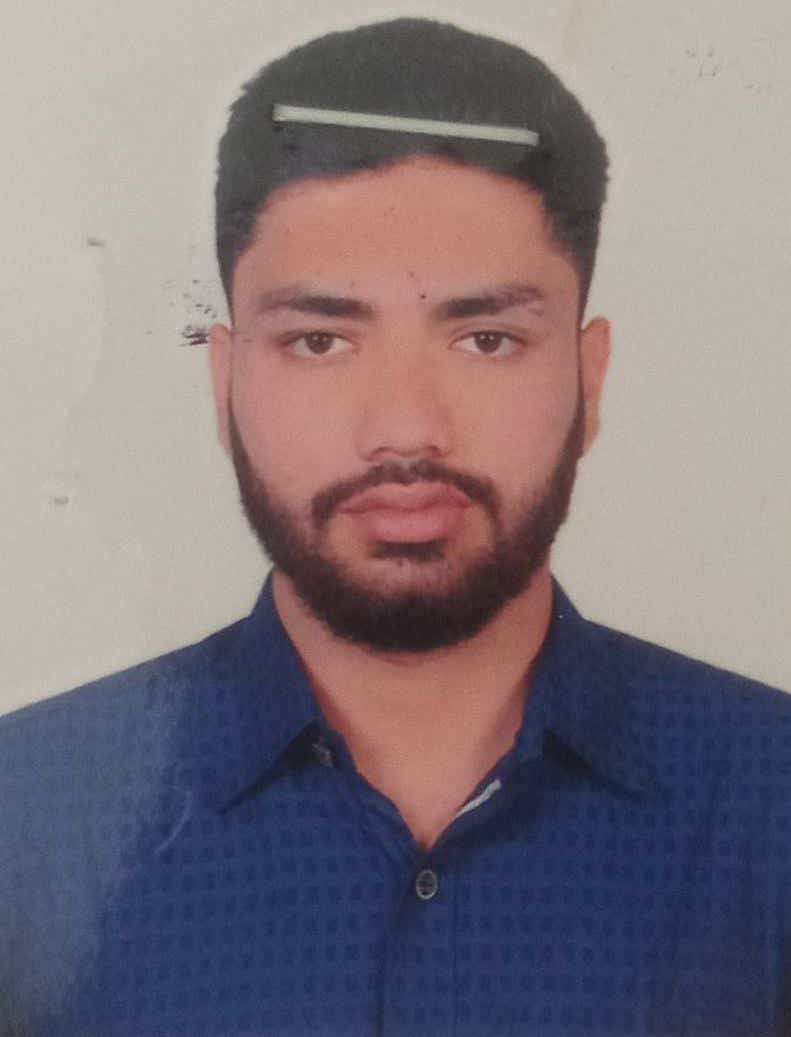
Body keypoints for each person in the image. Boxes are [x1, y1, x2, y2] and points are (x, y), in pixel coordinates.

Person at [1, 16, 789, 1037]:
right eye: (320, 340)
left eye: (486, 338)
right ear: (224, 382)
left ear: (588, 380)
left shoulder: (769, 801)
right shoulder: (29, 816)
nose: (406, 427)